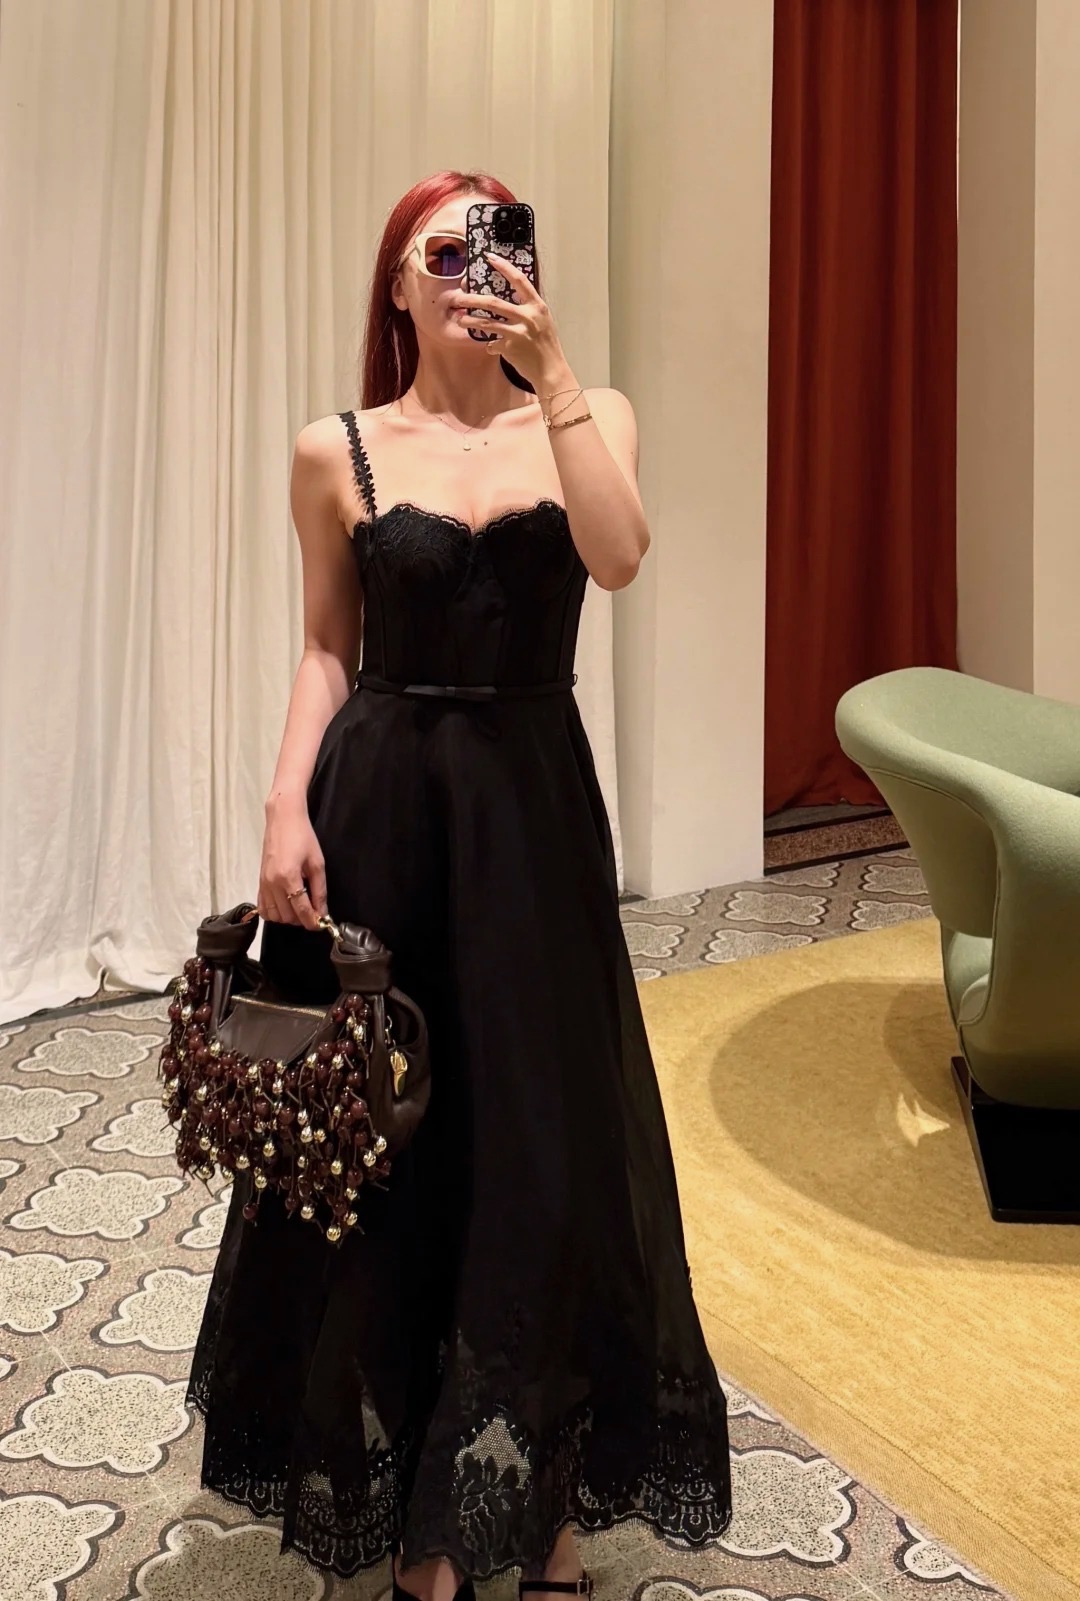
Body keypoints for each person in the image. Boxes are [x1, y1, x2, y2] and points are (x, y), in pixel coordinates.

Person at [188, 170, 732, 1601]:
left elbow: (620, 556)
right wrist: (282, 803)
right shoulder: (339, 448)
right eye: (447, 251)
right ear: (399, 282)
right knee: (395, 1148)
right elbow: (328, 646)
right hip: (387, 810)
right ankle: (428, 1525)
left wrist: (556, 376)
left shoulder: (591, 417)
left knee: (542, 1146)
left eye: (504, 247)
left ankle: (541, 1499)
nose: (477, 274)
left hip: (534, 818)